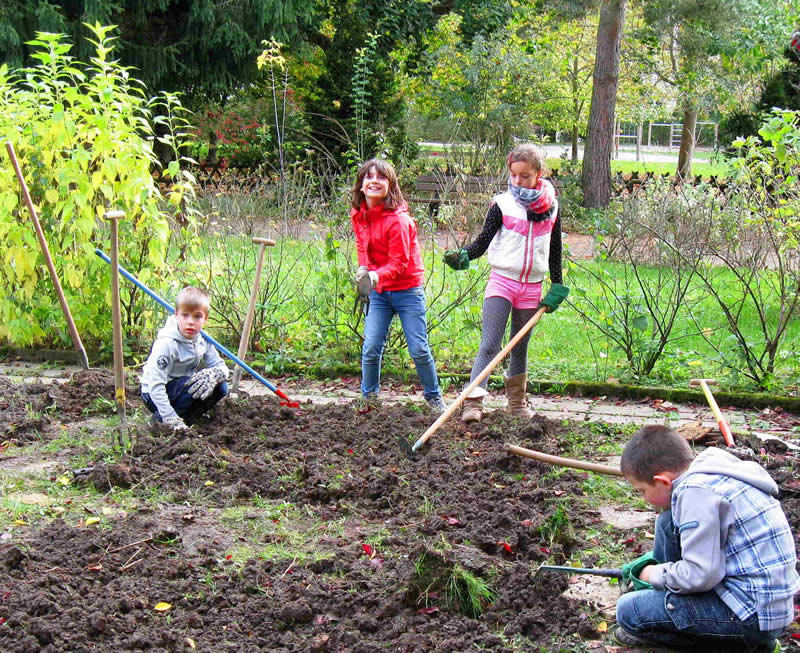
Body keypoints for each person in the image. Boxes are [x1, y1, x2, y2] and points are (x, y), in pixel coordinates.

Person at [614, 424, 800, 652]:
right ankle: (669, 602)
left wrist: (652, 573)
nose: (643, 498)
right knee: (667, 522)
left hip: (750, 616)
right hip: (765, 606)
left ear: (662, 481)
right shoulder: (710, 470)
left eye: (642, 491)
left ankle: (748, 645)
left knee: (629, 612)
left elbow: (701, 574)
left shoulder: (696, 493)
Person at [443, 143, 568, 422]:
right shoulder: (502, 204)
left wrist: (556, 284)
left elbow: (555, 248)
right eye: (513, 175)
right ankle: (473, 402)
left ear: (539, 173)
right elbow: (482, 242)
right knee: (490, 344)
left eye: (524, 176)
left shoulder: (552, 207)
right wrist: (465, 255)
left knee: (518, 346)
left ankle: (516, 404)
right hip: (502, 282)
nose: (518, 181)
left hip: (532, 286)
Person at [350, 158, 446, 413]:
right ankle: (368, 399)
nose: (374, 181)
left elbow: (400, 262)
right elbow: (362, 246)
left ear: (390, 185)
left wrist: (375, 277)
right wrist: (363, 268)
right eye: (369, 177)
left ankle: (433, 397)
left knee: (418, 348)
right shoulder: (359, 216)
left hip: (407, 291)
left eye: (381, 178)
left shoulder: (399, 221)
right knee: (371, 347)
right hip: (379, 293)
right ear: (361, 185)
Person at [140, 286, 230, 429]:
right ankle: (162, 420)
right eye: (185, 315)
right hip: (153, 393)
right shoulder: (167, 344)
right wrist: (170, 417)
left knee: (221, 386)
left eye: (197, 316)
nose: (190, 321)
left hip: (181, 386)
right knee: (189, 383)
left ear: (205, 319)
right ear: (176, 314)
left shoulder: (203, 339)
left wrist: (215, 373)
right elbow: (155, 386)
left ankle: (190, 417)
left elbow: (221, 366)